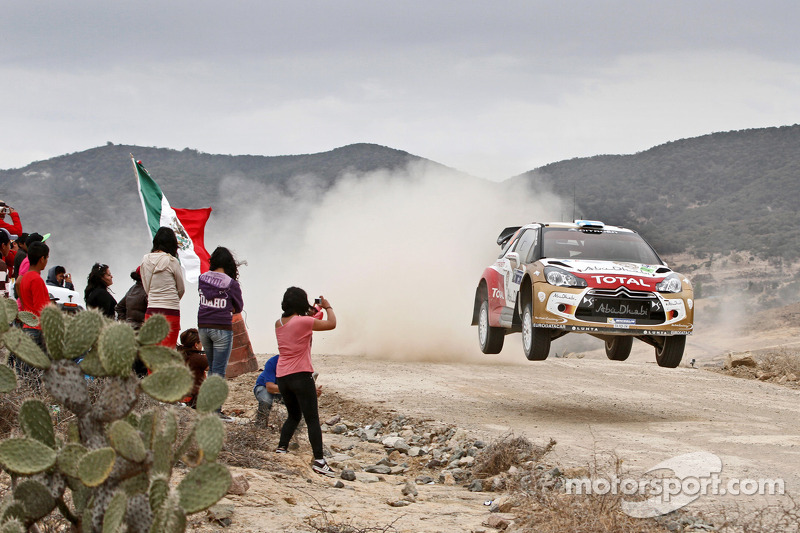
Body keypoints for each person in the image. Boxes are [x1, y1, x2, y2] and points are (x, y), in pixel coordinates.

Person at [273, 287, 336, 477]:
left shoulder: (279, 323)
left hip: (282, 376)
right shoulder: (304, 322)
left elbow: (306, 322)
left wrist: (315, 311)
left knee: (293, 415)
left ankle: (281, 448)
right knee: (312, 419)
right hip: (301, 374)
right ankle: (319, 460)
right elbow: (331, 324)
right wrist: (328, 306)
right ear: (302, 303)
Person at [197, 246, 243, 378]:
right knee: (219, 370)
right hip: (221, 327)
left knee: (211, 367)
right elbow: (238, 307)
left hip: (203, 327)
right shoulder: (231, 283)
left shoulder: (202, 278)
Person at [141, 227, 185, 348]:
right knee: (168, 352)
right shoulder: (172, 261)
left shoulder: (145, 260)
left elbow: (146, 287)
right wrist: (172, 300)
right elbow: (181, 288)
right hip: (171, 311)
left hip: (151, 310)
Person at [254, 354, 321, 428]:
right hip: (263, 387)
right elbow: (270, 387)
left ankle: (294, 427)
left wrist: (311, 393)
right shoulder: (273, 362)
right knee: (266, 400)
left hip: (284, 390)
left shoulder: (299, 364)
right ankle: (260, 426)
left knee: (300, 401)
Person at [16, 241, 50, 348]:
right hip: (38, 330)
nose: (46, 261)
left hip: (27, 327)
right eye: (47, 258)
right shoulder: (36, 279)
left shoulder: (25, 277)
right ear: (42, 259)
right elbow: (40, 307)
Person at [177, 328, 208, 409]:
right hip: (195, 401)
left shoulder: (179, 355)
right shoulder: (198, 358)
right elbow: (215, 367)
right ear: (196, 345)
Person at [0, 229, 13, 298]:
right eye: (9, 244)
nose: (9, 248)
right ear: (3, 246)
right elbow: (1, 294)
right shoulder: (1, 265)